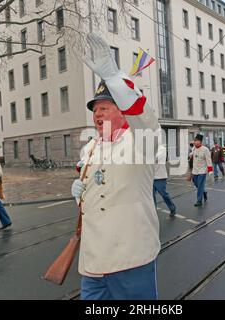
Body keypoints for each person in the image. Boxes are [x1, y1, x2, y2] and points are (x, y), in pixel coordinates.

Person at [70, 34, 160, 300]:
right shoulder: (90, 148)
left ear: (122, 111)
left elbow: (142, 116)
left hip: (130, 259)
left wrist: (113, 78)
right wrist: (78, 196)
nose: (97, 114)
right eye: (95, 109)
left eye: (105, 107)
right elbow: (95, 197)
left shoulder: (140, 141)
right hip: (93, 262)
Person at [153, 144, 177, 216]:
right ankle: (153, 212)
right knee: (151, 196)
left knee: (164, 194)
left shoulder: (162, 148)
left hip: (160, 176)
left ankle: (172, 208)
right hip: (150, 177)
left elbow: (156, 159)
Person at [191, 134, 213, 207]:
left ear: (200, 142)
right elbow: (192, 157)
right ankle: (204, 192)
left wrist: (210, 171)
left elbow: (208, 160)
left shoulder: (205, 149)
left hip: (202, 170)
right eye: (194, 140)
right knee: (195, 182)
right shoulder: (193, 148)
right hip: (195, 170)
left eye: (196, 141)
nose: (195, 142)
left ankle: (199, 200)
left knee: (200, 185)